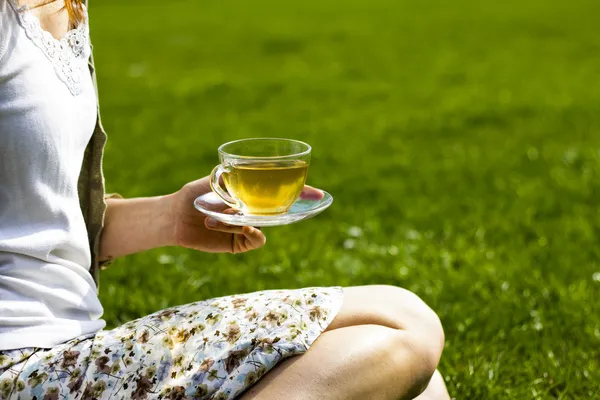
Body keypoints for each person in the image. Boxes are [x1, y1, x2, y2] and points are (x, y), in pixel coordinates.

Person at [0, 1, 450, 399]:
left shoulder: (63, 7)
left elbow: (42, 217)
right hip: (19, 366)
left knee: (412, 380)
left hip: (75, 350)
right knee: (406, 328)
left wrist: (170, 216)